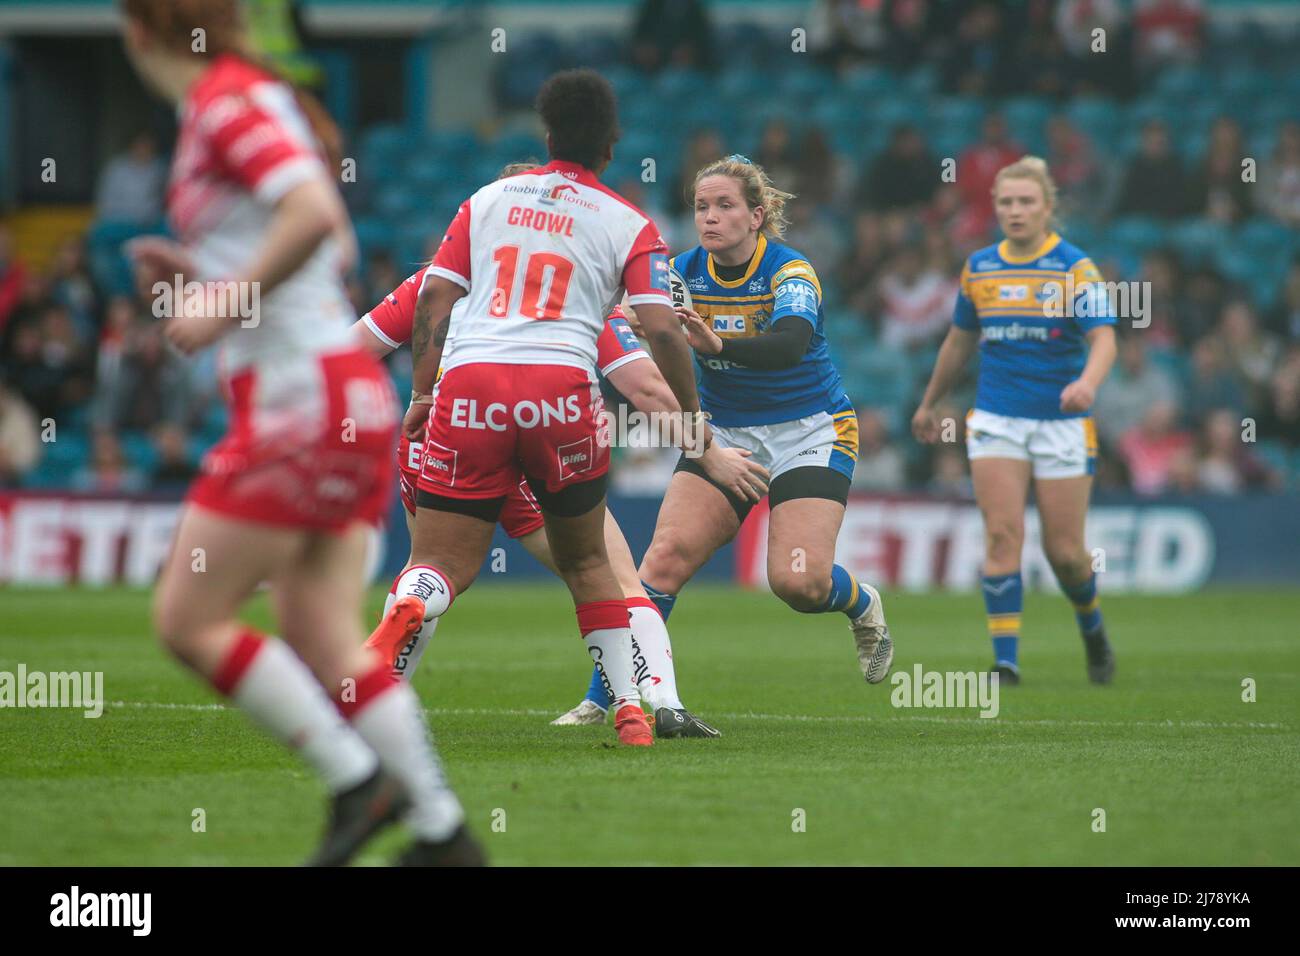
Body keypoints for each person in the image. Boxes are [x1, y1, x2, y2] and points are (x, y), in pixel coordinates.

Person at [119, 0, 479, 866]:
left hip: (302, 402)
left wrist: (220, 296)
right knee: (322, 637)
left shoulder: (224, 103)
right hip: (342, 396)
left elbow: (315, 214)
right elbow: (326, 242)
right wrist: (202, 277)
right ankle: (443, 833)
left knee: (187, 617)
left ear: (139, 31)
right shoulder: (250, 97)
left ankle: (357, 781)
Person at [370, 70, 762, 748]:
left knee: (435, 564)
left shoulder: (486, 203)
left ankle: (399, 639)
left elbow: (424, 308)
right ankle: (640, 709)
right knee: (595, 567)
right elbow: (656, 348)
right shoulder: (622, 224)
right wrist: (700, 434)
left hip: (469, 398)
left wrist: (421, 395)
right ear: (610, 147)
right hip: (560, 401)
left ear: (545, 135)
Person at [354, 250, 741, 737]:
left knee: (430, 565)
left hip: (442, 432)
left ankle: (378, 697)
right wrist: (708, 452)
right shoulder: (572, 289)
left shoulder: (439, 278)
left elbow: (348, 354)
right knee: (607, 574)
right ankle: (657, 706)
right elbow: (647, 390)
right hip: (540, 434)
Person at [567, 153, 893, 721]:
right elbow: (619, 317)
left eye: (725, 206)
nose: (710, 217)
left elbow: (790, 343)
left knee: (798, 583)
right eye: (701, 207)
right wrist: (625, 326)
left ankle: (862, 603)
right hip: (724, 434)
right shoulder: (676, 274)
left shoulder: (791, 272)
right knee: (663, 561)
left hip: (811, 430)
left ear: (757, 216)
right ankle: (604, 698)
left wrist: (718, 346)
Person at [912, 156, 1118, 685]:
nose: (1016, 210)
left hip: (1061, 423)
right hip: (997, 420)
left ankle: (1091, 626)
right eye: (1006, 202)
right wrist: (930, 401)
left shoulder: (1075, 268)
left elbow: (1104, 338)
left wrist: (1088, 383)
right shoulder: (979, 267)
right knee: (1002, 536)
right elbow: (959, 340)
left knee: (1066, 553)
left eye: (1027, 201)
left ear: (1048, 207)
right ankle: (1006, 661)